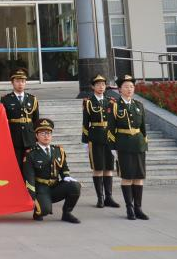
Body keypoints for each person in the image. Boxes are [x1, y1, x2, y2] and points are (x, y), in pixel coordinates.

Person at [21, 118, 81, 223]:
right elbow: (29, 178)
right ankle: (39, 209)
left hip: (55, 187)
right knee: (44, 211)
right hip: (41, 189)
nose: (46, 136)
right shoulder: (31, 153)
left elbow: (64, 169)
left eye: (48, 133)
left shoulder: (58, 151)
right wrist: (32, 197)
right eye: (43, 133)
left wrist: (67, 177)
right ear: (36, 135)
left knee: (75, 186)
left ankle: (67, 213)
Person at [107, 75, 149, 221]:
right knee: (127, 177)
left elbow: (143, 128)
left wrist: (144, 143)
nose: (129, 89)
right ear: (120, 89)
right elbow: (110, 128)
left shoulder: (139, 105)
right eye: (126, 86)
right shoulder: (114, 105)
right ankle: (129, 208)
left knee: (139, 177)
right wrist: (113, 148)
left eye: (131, 86)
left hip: (138, 144)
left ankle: (138, 208)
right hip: (123, 145)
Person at [83, 74, 120, 209]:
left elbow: (115, 121)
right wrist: (85, 141)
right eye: (98, 84)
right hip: (95, 137)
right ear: (93, 86)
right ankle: (100, 198)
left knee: (109, 168)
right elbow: (85, 123)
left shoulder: (111, 101)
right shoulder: (88, 102)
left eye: (103, 84)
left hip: (109, 138)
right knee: (98, 168)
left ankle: (109, 197)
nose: (101, 87)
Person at [1, 69, 38, 160]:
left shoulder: (32, 99)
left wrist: (36, 137)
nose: (20, 84)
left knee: (30, 164)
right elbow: (3, 121)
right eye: (17, 81)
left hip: (29, 138)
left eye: (22, 81)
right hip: (14, 137)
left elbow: (36, 120)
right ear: (12, 83)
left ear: (25, 83)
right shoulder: (6, 99)